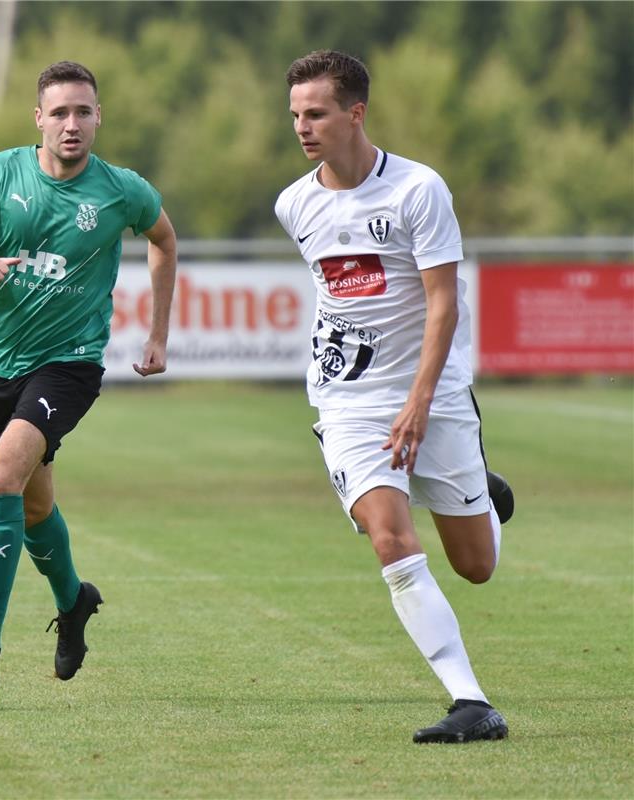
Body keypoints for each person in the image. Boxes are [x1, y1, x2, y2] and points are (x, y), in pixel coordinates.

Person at [275, 50, 514, 744]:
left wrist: (417, 400)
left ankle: (484, 496)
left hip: (432, 398)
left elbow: (444, 305)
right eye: (294, 115)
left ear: (356, 113)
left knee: (476, 566)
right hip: (348, 402)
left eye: (316, 112)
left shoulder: (417, 191)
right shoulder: (295, 204)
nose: (302, 127)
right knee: (390, 538)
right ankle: (471, 701)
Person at [0, 61, 177, 698]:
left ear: (98, 119)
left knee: (2, 478)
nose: (71, 124)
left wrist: (157, 334)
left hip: (70, 364)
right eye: (59, 112)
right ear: (38, 118)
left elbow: (165, 241)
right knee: (33, 507)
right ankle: (74, 601)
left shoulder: (122, 190)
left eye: (83, 112)